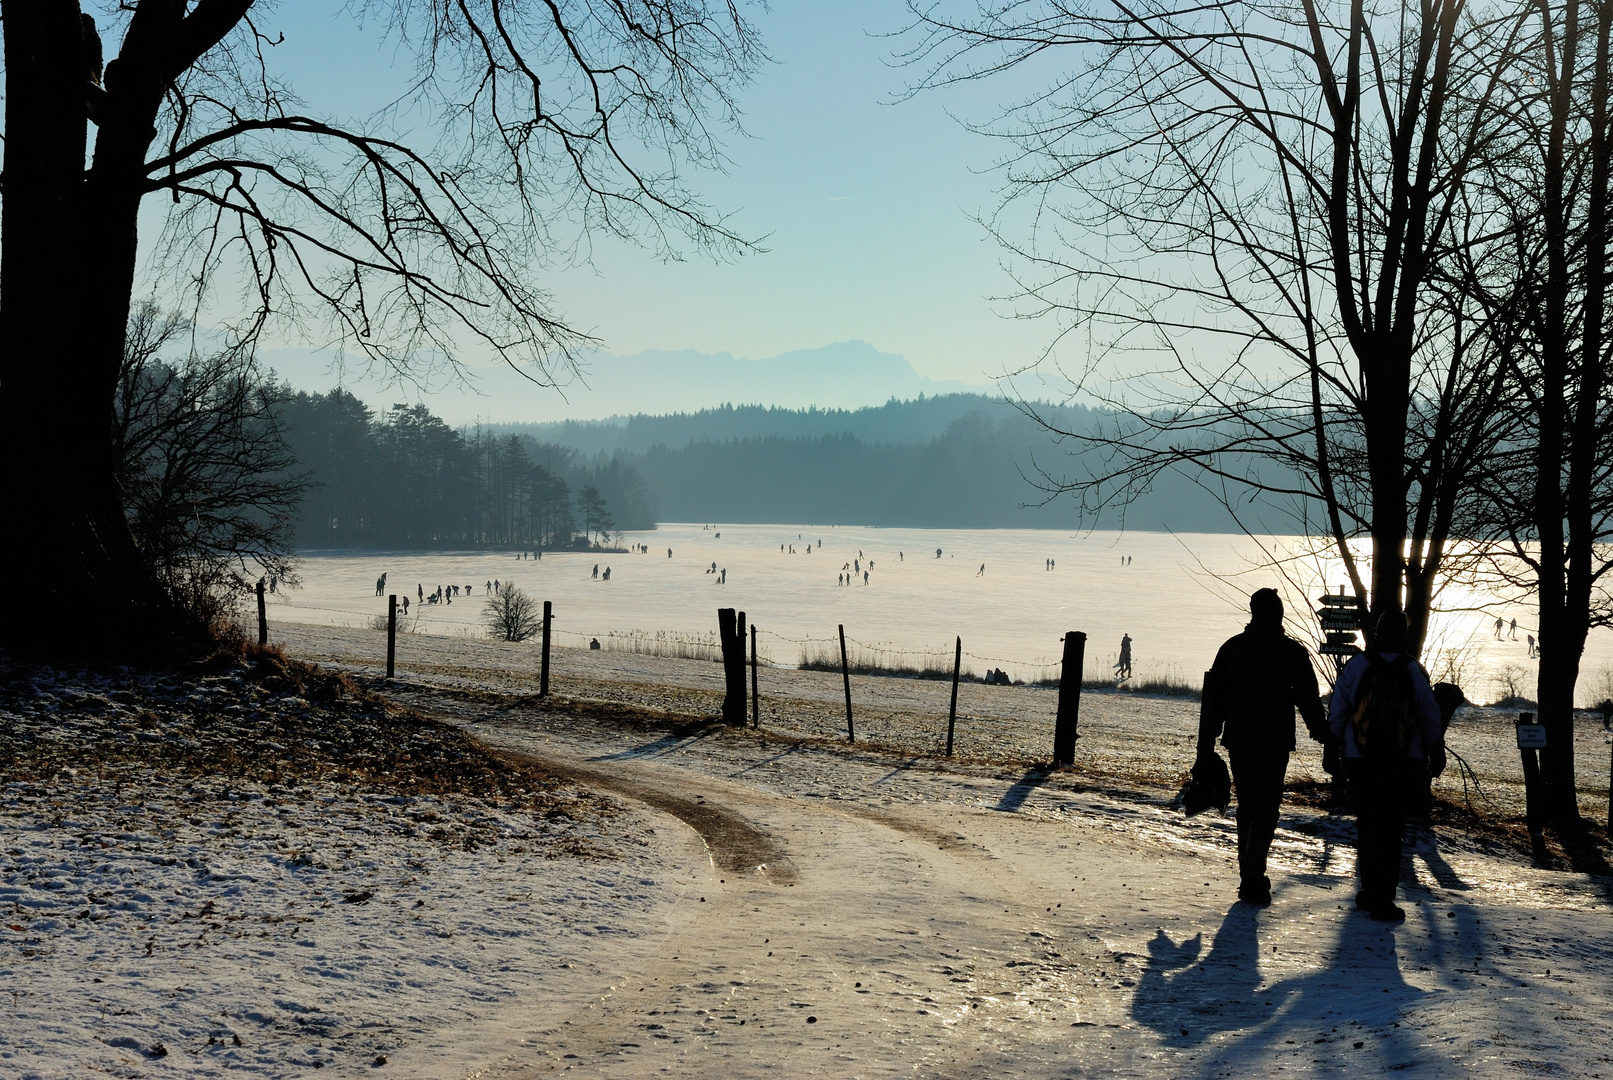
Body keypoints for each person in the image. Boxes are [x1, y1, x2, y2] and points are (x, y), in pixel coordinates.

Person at [1198, 588, 1327, 907]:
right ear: (1280, 614)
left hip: (1239, 741)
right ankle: (1252, 878)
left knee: (1247, 808)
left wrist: (1206, 745)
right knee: (1266, 810)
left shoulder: (1232, 648)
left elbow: (1214, 701)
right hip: (1274, 742)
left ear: (1253, 612)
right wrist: (1323, 732)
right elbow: (1308, 699)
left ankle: (1250, 876)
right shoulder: (1291, 652)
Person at [1328, 610, 1443, 923]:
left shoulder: (1357, 665)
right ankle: (1384, 897)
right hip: (1404, 759)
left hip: (1359, 758)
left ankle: (1369, 891)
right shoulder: (1413, 670)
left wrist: (1332, 747)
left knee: (1367, 823)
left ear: (1376, 632)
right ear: (1403, 635)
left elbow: (1339, 708)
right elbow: (1429, 714)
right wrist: (1436, 749)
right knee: (1391, 827)